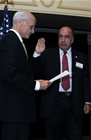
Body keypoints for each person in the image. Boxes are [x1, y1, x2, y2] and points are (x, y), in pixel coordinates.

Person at [30, 26, 91, 140]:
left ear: (72, 39)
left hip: (75, 102)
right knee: (53, 135)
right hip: (54, 103)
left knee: (75, 136)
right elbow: (33, 72)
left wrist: (87, 101)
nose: (63, 40)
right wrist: (37, 54)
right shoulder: (47, 54)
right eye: (60, 37)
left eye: (67, 37)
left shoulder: (81, 57)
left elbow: (85, 80)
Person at [0, 10, 52, 140]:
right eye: (32, 27)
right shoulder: (10, 41)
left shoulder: (17, 42)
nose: (33, 31)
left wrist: (36, 54)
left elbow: (25, 73)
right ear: (21, 22)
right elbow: (10, 75)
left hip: (18, 111)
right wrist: (36, 85)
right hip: (14, 112)